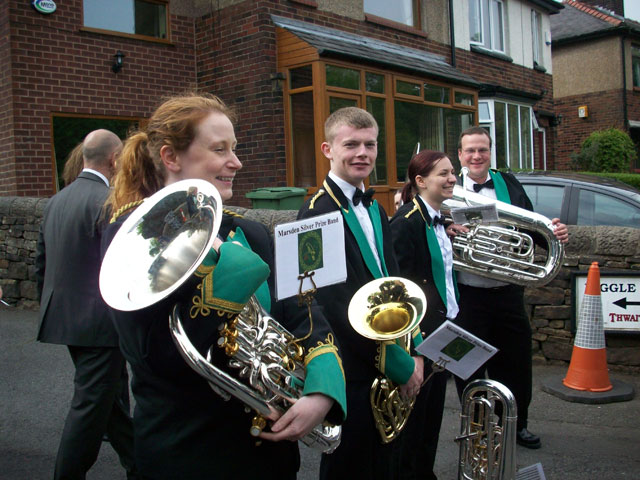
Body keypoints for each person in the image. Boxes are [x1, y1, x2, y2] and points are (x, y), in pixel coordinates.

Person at [102, 92, 346, 480]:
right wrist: (233, 270)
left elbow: (304, 308)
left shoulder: (248, 229)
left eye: (234, 148)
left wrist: (322, 389)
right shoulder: (134, 234)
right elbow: (151, 354)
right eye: (219, 149)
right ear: (171, 157)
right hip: (188, 453)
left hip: (271, 459)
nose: (236, 162)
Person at [298, 107, 424, 480]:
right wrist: (399, 364)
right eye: (350, 144)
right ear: (327, 149)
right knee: (349, 465)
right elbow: (327, 305)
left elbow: (396, 283)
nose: (362, 153)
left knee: (384, 464)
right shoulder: (314, 215)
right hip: (351, 367)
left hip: (387, 357)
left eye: (369, 145)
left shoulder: (377, 208)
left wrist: (413, 348)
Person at [453, 126, 569, 449]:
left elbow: (532, 228)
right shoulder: (448, 187)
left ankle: (516, 426)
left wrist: (553, 233)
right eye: (470, 151)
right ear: (460, 155)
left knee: (516, 363)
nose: (477, 156)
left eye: (483, 150)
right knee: (468, 366)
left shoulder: (509, 184)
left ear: (490, 153)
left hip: (507, 292)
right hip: (467, 296)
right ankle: (476, 428)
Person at [34, 129, 136, 479]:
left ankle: (139, 466)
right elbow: (120, 267)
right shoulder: (108, 202)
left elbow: (41, 263)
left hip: (66, 320)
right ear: (113, 160)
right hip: (101, 326)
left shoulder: (55, 201)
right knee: (90, 407)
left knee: (111, 402)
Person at [390, 150, 467, 480]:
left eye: (453, 172)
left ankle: (424, 470)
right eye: (444, 174)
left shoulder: (441, 218)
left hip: (447, 327)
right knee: (415, 416)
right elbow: (399, 289)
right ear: (420, 181)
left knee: (434, 409)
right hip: (423, 333)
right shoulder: (405, 223)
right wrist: (414, 343)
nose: (452, 179)